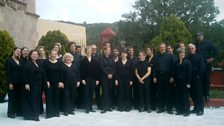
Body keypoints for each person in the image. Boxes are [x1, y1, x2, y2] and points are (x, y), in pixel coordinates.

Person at [23, 50, 46, 121]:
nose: (35, 55)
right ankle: (32, 115)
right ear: (30, 55)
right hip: (32, 84)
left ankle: (35, 113)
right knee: (32, 99)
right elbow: (24, 73)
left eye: (36, 54)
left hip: (38, 84)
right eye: (33, 54)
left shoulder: (36, 63)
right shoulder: (28, 63)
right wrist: (26, 83)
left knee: (36, 99)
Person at [195, 32, 218, 101]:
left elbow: (216, 50)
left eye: (200, 36)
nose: (199, 37)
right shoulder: (195, 44)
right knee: (200, 80)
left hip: (206, 64)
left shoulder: (208, 43)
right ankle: (201, 95)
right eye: (198, 36)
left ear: (203, 36)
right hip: (198, 66)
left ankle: (207, 95)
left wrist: (212, 58)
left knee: (207, 80)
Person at [153, 43, 174, 114]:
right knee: (160, 93)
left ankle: (169, 108)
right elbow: (154, 67)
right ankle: (161, 108)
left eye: (163, 47)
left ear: (165, 48)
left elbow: (172, 67)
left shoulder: (170, 56)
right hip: (159, 76)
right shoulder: (156, 56)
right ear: (159, 48)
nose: (162, 48)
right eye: (161, 47)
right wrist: (154, 76)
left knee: (168, 93)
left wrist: (172, 76)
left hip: (167, 76)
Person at [42, 50, 63, 118]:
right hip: (49, 83)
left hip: (57, 83)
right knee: (49, 97)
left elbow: (61, 73)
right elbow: (43, 73)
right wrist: (46, 81)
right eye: (52, 54)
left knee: (56, 97)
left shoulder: (59, 62)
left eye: (55, 54)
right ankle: (50, 114)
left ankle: (56, 113)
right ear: (50, 55)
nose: (54, 55)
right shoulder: (46, 62)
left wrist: (60, 81)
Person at [187, 44, 205, 116]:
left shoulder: (199, 57)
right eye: (190, 48)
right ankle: (196, 108)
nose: (191, 49)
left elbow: (202, 68)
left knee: (199, 95)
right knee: (193, 94)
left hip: (197, 78)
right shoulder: (188, 57)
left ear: (195, 49)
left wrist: (198, 76)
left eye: (192, 48)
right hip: (190, 79)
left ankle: (201, 110)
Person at [80, 46, 99, 113]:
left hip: (93, 79)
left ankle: (90, 107)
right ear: (86, 52)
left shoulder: (95, 60)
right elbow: (81, 70)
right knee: (86, 93)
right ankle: (87, 108)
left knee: (91, 93)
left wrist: (97, 79)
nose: (89, 52)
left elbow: (97, 71)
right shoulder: (82, 60)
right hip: (86, 79)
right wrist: (82, 79)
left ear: (91, 52)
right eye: (87, 50)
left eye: (90, 50)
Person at [174, 49, 192, 117]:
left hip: (185, 82)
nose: (182, 54)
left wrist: (189, 83)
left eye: (183, 53)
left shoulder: (188, 62)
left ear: (184, 54)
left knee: (185, 97)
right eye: (181, 53)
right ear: (179, 54)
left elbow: (189, 73)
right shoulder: (176, 62)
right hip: (178, 82)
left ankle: (186, 111)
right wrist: (175, 82)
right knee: (178, 96)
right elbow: (175, 73)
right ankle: (180, 110)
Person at [5, 47, 22, 118]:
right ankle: (10, 113)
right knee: (12, 98)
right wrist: (10, 83)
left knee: (17, 97)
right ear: (13, 51)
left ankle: (16, 111)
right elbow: (8, 72)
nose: (18, 52)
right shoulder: (9, 60)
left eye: (19, 51)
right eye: (17, 51)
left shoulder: (19, 60)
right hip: (12, 82)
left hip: (19, 82)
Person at [99, 46, 115, 113]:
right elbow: (101, 67)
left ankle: (109, 106)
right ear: (104, 51)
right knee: (105, 91)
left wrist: (111, 74)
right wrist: (107, 74)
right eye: (108, 50)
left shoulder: (111, 58)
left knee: (109, 91)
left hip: (111, 77)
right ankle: (104, 107)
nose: (109, 51)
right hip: (104, 77)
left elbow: (114, 67)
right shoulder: (101, 58)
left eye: (109, 50)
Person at [91, 44, 102, 109]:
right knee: (90, 92)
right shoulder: (88, 57)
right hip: (91, 77)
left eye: (95, 48)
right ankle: (89, 106)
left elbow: (100, 68)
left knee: (97, 92)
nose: (94, 50)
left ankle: (99, 105)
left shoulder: (99, 57)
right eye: (92, 49)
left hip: (98, 77)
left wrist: (98, 79)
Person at [36, 46, 47, 114]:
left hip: (46, 78)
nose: (41, 52)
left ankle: (48, 109)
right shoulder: (36, 59)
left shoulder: (47, 59)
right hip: (39, 78)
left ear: (44, 51)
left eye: (42, 50)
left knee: (47, 94)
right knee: (39, 94)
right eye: (39, 51)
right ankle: (40, 109)